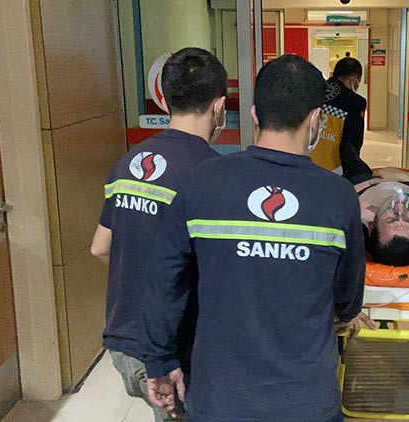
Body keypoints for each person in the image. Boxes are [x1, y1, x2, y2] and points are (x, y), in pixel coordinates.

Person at [140, 54, 372, 422]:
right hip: (306, 402)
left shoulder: (200, 182)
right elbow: (348, 298)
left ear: (253, 115)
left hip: (221, 400)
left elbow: (162, 281)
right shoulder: (338, 196)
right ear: (316, 119)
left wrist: (160, 361)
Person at [89, 47, 228, 422]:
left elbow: (100, 247)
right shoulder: (213, 175)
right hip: (172, 346)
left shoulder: (128, 164)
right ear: (219, 106)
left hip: (123, 340)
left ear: (165, 100)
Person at [310, 58, 367, 180]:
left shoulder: (313, 92)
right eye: (358, 81)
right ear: (354, 79)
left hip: (307, 163)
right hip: (334, 168)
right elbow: (352, 142)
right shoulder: (355, 101)